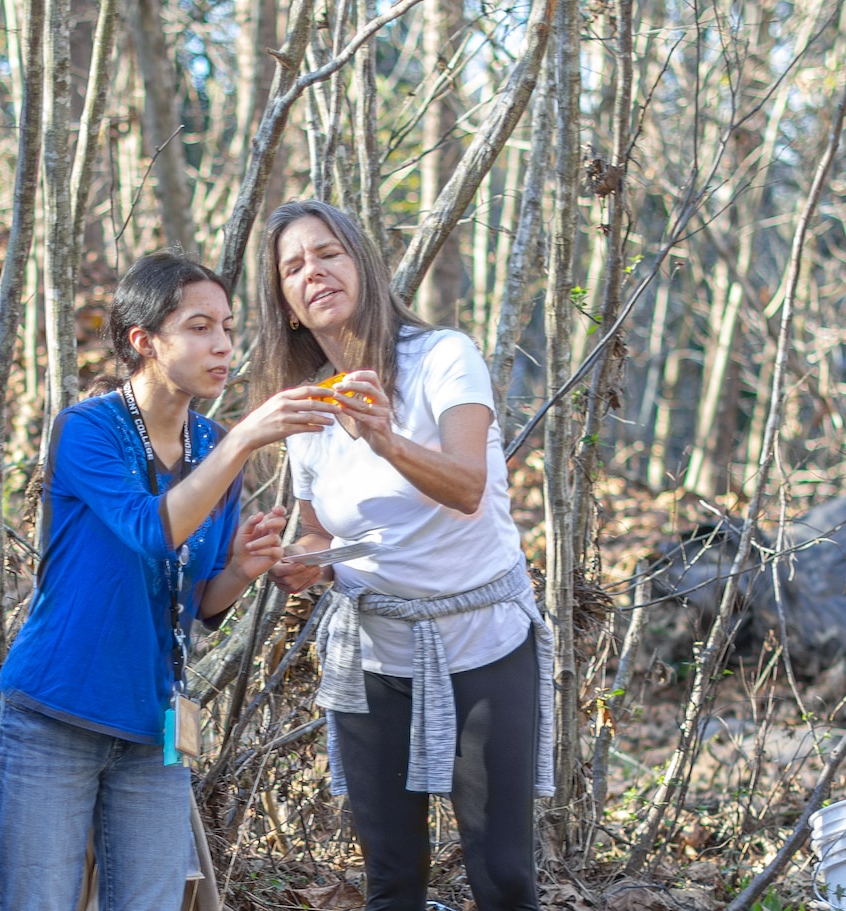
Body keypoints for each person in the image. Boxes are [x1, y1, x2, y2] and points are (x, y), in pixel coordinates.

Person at [0, 251, 338, 910]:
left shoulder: (215, 444)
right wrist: (246, 443)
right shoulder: (87, 428)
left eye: (228, 327)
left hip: (156, 727)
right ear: (143, 341)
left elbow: (200, 604)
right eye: (200, 326)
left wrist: (243, 568)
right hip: (56, 714)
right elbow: (152, 529)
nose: (224, 344)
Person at [257, 200, 554, 911]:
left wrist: (386, 437)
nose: (313, 271)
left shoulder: (444, 357)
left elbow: (467, 487)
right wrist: (305, 563)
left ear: (362, 263)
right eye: (293, 267)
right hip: (374, 657)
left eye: (327, 252)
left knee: (504, 874)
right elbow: (327, 535)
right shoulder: (308, 410)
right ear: (289, 307)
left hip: (482, 642)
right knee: (392, 881)